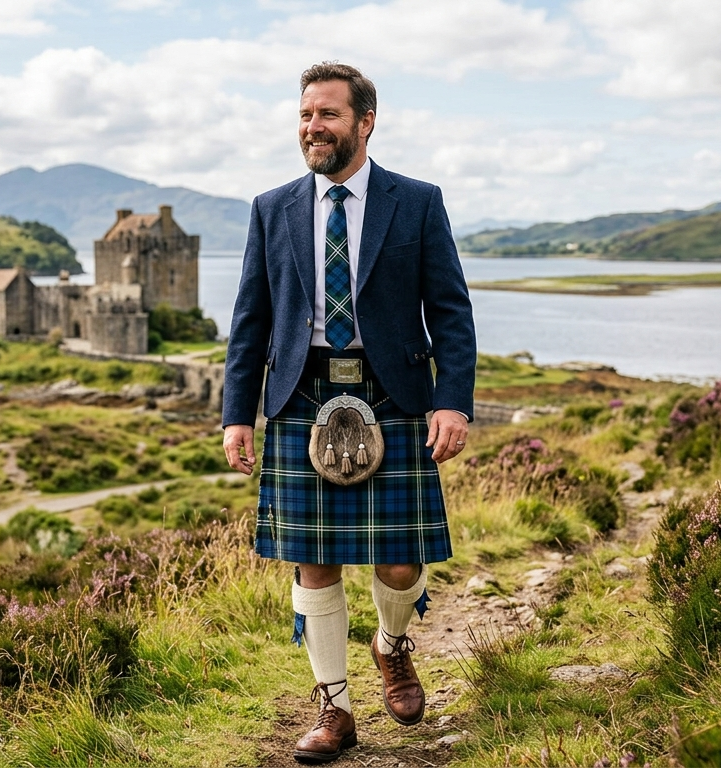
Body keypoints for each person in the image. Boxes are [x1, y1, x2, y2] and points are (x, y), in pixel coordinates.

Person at [222, 61, 476, 763]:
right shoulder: (272, 208)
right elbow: (252, 319)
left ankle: (391, 644)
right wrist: (236, 413)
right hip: (302, 393)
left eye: (328, 115)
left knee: (399, 563)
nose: (313, 127)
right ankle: (334, 708)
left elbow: (451, 312)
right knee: (314, 562)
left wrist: (452, 399)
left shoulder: (416, 202)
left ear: (365, 121)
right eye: (305, 115)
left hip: (390, 392)